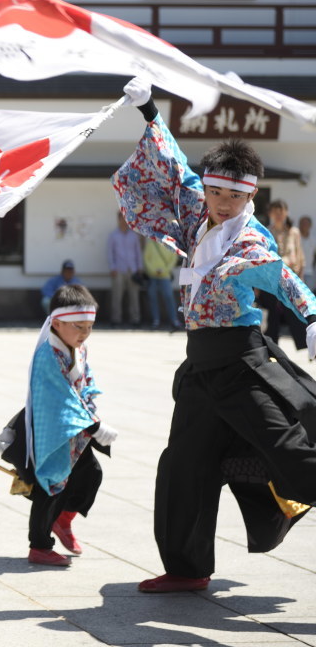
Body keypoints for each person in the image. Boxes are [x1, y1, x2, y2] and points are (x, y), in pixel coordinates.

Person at [114, 76, 316, 594]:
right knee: (183, 465)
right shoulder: (196, 217)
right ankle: (186, 568)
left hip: (242, 365)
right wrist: (149, 112)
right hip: (199, 369)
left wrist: (313, 319)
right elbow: (175, 167)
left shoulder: (250, 240)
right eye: (216, 191)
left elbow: (286, 280)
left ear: (249, 195)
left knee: (293, 456)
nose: (221, 202)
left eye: (233, 195)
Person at [0, 285, 115, 567]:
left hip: (75, 427)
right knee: (51, 484)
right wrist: (94, 425)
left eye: (89, 327)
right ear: (57, 322)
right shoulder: (48, 355)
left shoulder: (77, 347)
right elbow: (61, 396)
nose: (84, 333)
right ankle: (39, 546)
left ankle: (64, 519)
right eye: (79, 326)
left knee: (90, 475)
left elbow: (87, 381)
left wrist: (91, 406)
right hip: (52, 429)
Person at [261, 200, 308, 350]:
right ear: (270, 214)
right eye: (275, 211)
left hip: (291, 275)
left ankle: (306, 345)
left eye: (281, 211)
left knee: (295, 311)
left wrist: (301, 277)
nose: (279, 215)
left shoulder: (294, 232)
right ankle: (271, 346)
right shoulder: (267, 232)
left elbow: (299, 254)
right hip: (272, 276)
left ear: (286, 212)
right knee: (272, 312)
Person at [106, 212, 143, 326]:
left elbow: (138, 252)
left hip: (132, 269)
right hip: (118, 269)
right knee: (117, 296)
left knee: (134, 296)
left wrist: (139, 267)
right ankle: (116, 319)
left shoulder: (134, 235)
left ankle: (135, 319)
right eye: (121, 218)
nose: (123, 221)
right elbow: (109, 253)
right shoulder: (113, 235)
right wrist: (112, 267)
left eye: (125, 218)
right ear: (118, 219)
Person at [142, 238, 181, 330]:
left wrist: (165, 270)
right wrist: (152, 270)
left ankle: (174, 320)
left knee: (169, 296)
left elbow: (173, 258)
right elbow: (146, 258)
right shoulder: (151, 242)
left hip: (165, 275)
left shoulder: (170, 242)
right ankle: (156, 320)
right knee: (152, 297)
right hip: (152, 274)